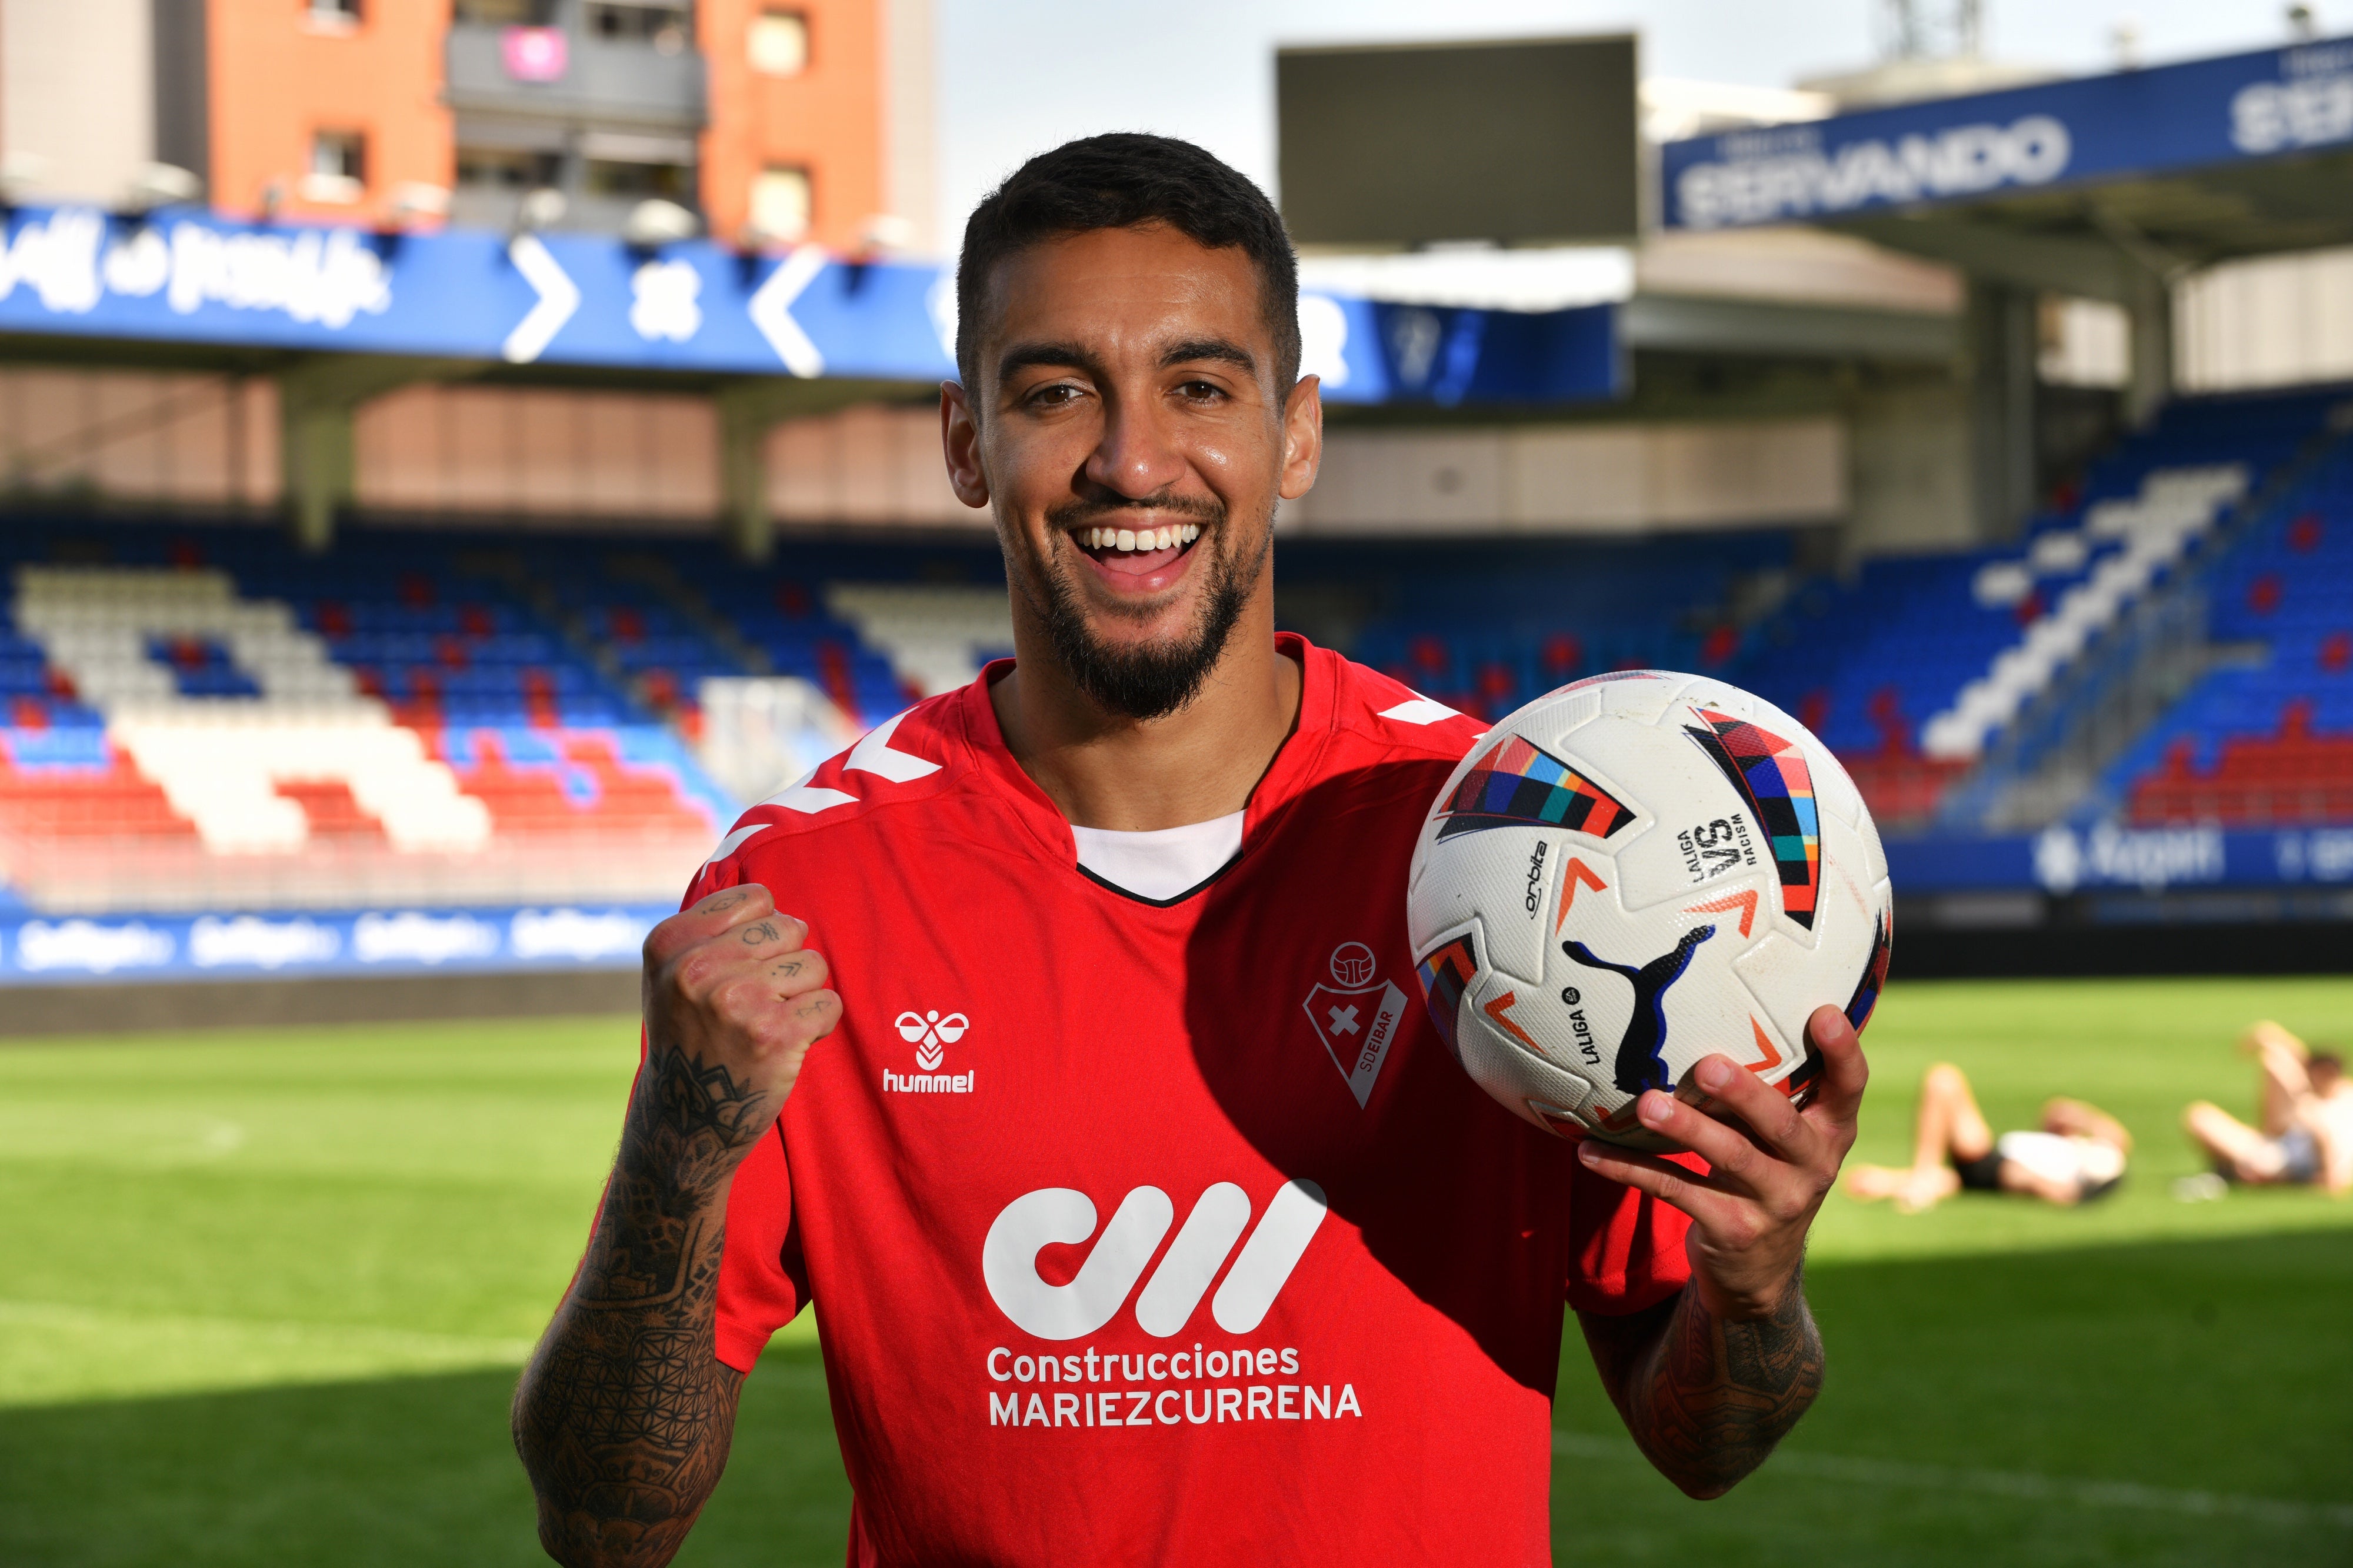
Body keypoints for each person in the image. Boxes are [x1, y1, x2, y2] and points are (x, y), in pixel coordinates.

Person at [512, 134, 1872, 1566]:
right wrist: (678, 1150)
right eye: (1055, 392)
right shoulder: (806, 892)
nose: (1131, 460)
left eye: (1200, 387)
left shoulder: (1505, 848)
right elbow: (604, 1523)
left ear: (1296, 434)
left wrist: (1753, 1283)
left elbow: (1703, 1441)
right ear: (966, 443)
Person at [1844, 1062, 2130, 1212]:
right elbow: (2058, 1113)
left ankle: (1921, 1179)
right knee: (1869, 1181)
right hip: (1991, 1165)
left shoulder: (2068, 1180)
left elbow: (2043, 1187)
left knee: (1944, 1081)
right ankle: (1915, 1181)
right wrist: (2080, 1122)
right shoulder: (2074, 1147)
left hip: (1993, 1163)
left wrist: (2028, 1178)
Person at [2181, 1020, 2353, 1196]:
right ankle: (2237, 1170)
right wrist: (2269, 1035)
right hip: (2280, 1149)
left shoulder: (2321, 1106)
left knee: (2273, 1064)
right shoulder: (2339, 1091)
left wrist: (2330, 1180)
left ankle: (2240, 1172)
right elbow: (2300, 1057)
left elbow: (2326, 1139)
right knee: (2200, 1116)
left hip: (2284, 1162)